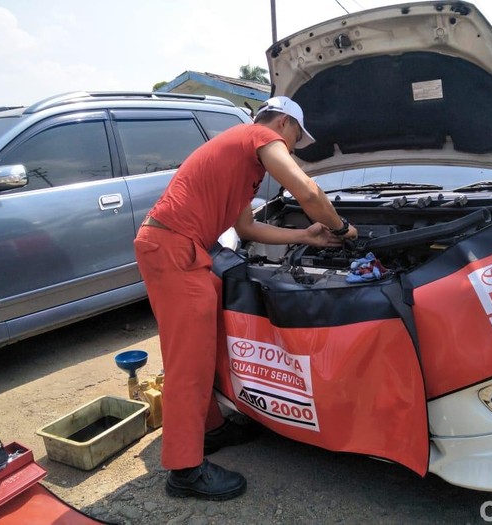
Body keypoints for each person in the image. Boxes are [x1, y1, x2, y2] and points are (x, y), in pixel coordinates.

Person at [134, 95, 358, 501]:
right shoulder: (257, 135)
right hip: (174, 248)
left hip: (182, 248)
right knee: (188, 363)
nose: (289, 148)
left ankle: (211, 428)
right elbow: (307, 192)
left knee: (203, 349)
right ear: (285, 124)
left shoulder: (244, 166)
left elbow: (248, 229)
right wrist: (341, 229)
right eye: (293, 140)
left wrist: (306, 236)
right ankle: (184, 471)